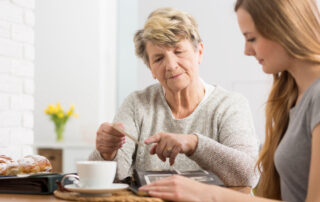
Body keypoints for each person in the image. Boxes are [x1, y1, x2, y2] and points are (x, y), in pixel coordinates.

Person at [139, 0, 320, 201]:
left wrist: (205, 193)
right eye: (158, 59)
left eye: (251, 38)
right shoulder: (293, 96)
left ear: (285, 29)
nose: (247, 50)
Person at [89, 7, 259, 187]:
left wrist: (194, 143)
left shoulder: (230, 105)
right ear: (151, 69)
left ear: (199, 52)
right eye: (158, 59)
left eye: (178, 51)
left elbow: (248, 176)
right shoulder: (136, 104)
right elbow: (115, 177)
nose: (170, 65)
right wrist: (107, 154)